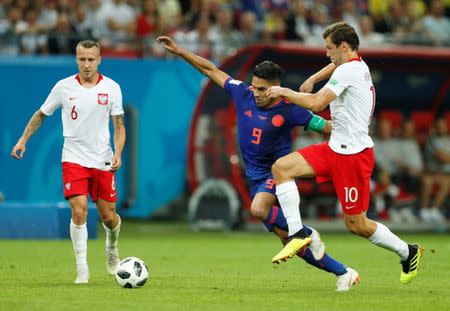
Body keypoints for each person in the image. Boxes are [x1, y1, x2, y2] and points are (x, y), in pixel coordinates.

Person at [157, 35, 359, 291]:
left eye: (263, 89)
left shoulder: (291, 108)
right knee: (289, 243)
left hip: (278, 174)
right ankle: (343, 272)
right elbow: (211, 69)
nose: (257, 93)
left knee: (257, 209)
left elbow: (325, 126)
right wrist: (180, 51)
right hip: (254, 178)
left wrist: (354, 128)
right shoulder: (243, 94)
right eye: (255, 87)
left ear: (276, 88)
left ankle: (306, 232)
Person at [266, 21, 423, 284]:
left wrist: (284, 92)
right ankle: (298, 234)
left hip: (353, 157)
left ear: (344, 46)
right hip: (333, 148)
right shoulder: (354, 63)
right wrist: (314, 78)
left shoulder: (350, 71)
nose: (326, 53)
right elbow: (334, 66)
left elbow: (316, 103)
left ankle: (408, 252)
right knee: (282, 168)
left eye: (329, 48)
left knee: (357, 225)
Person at [11, 40, 125, 284]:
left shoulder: (113, 88)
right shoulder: (63, 87)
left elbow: (119, 126)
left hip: (103, 159)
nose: (86, 64)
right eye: (82, 59)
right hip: (73, 158)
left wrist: (118, 153)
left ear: (99, 60)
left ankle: (111, 246)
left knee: (108, 217)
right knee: (79, 209)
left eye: (91, 59)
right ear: (76, 59)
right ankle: (82, 268)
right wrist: (23, 140)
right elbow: (41, 114)